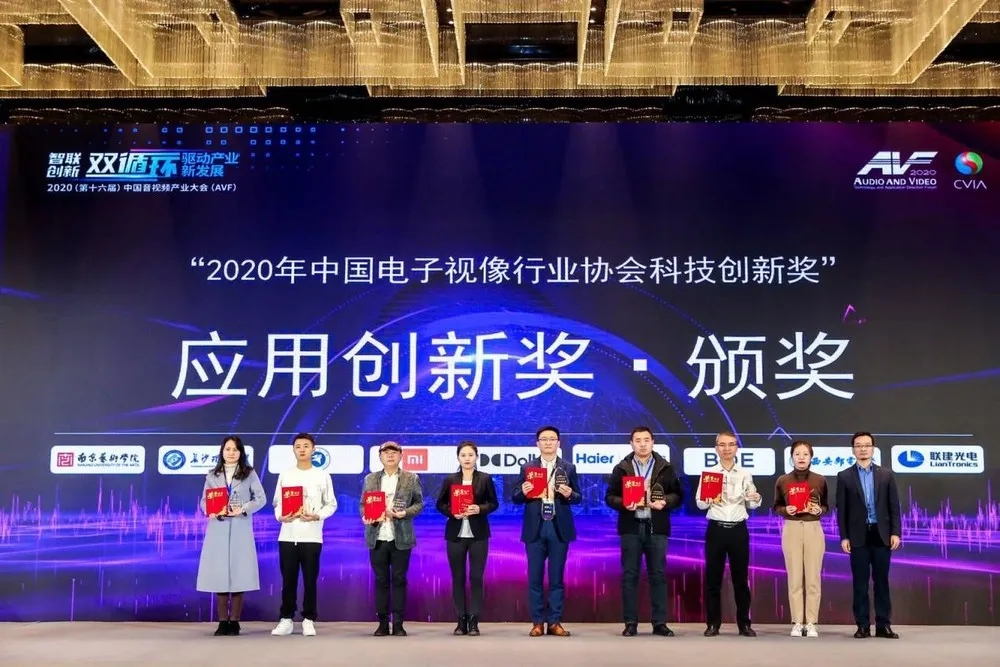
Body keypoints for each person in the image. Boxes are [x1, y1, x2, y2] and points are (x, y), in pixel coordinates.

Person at [605, 426, 682, 637]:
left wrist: (665, 501)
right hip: (631, 527)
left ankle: (660, 623)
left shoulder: (665, 467)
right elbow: (610, 497)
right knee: (630, 576)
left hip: (657, 527)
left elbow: (678, 495)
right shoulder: (622, 468)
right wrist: (624, 503)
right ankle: (630, 622)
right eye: (638, 440)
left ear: (652, 442)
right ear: (631, 444)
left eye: (646, 440)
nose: (642, 444)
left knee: (658, 575)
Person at [512, 425, 581, 637]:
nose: (548, 442)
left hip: (559, 528)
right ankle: (537, 622)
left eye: (552, 439)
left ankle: (554, 622)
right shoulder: (527, 468)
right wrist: (523, 492)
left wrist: (569, 494)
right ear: (537, 443)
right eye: (544, 439)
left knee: (556, 578)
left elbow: (578, 497)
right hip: (535, 527)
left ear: (558, 443)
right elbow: (515, 497)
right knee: (534, 578)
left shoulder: (568, 467)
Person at [196, 435, 267, 636]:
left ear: (240, 452)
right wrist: (211, 510)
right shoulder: (212, 475)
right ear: (222, 452)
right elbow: (204, 501)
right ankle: (222, 621)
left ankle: (234, 621)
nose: (231, 453)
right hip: (218, 528)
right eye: (227, 449)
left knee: (239, 572)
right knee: (219, 572)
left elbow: (261, 498)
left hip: (240, 526)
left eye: (235, 449)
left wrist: (243, 508)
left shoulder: (249, 473)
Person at [695, 430, 762, 637]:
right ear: (716, 448)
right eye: (722, 445)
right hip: (716, 529)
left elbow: (752, 503)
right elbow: (699, 504)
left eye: (731, 444)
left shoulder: (744, 474)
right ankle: (713, 624)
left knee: (741, 580)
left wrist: (756, 498)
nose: (726, 449)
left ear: (736, 448)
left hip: (738, 530)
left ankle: (744, 624)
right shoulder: (709, 474)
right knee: (713, 580)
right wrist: (707, 499)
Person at [270, 432, 338, 637]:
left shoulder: (322, 475)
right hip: (288, 536)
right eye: (298, 446)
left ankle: (309, 619)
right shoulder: (286, 474)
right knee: (288, 581)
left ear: (313, 449)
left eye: (306, 446)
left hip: (312, 536)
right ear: (293, 450)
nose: (302, 449)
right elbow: (277, 503)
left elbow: (331, 504)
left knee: (310, 581)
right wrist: (281, 516)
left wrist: (317, 516)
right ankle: (286, 619)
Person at [836, 431, 901, 639]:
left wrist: (895, 532)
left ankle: (883, 625)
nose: (863, 449)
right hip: (858, 536)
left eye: (866, 445)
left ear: (873, 448)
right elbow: (842, 510)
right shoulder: (844, 476)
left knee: (882, 581)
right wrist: (844, 536)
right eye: (858, 445)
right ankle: (862, 625)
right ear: (853, 449)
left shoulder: (886, 474)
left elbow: (894, 506)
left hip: (882, 535)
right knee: (860, 583)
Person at [434, 441, 499, 636]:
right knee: (458, 578)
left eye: (471, 455)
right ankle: (461, 620)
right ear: (458, 458)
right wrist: (452, 512)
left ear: (476, 457)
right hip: (455, 534)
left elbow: (494, 503)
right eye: (463, 455)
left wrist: (479, 508)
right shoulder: (450, 480)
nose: (467, 459)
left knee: (477, 578)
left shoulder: (485, 478)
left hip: (478, 534)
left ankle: (473, 621)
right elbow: (440, 504)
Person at [362, 441, 425, 637]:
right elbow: (363, 504)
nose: (390, 455)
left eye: (394, 452)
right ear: (380, 456)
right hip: (377, 536)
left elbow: (419, 504)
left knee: (399, 580)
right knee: (381, 580)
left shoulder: (411, 478)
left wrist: (404, 513)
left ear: (401, 456)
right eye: (386, 452)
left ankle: (398, 624)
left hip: (401, 537)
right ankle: (382, 623)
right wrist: (366, 516)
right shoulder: (370, 479)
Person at [774, 440, 829, 638]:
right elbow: (776, 506)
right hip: (792, 528)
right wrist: (785, 510)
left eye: (805, 454)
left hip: (813, 527)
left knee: (813, 578)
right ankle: (797, 622)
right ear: (792, 457)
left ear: (811, 457)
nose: (801, 458)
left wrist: (819, 510)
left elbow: (826, 506)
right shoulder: (783, 480)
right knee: (795, 578)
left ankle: (812, 622)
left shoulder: (819, 480)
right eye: (797, 454)